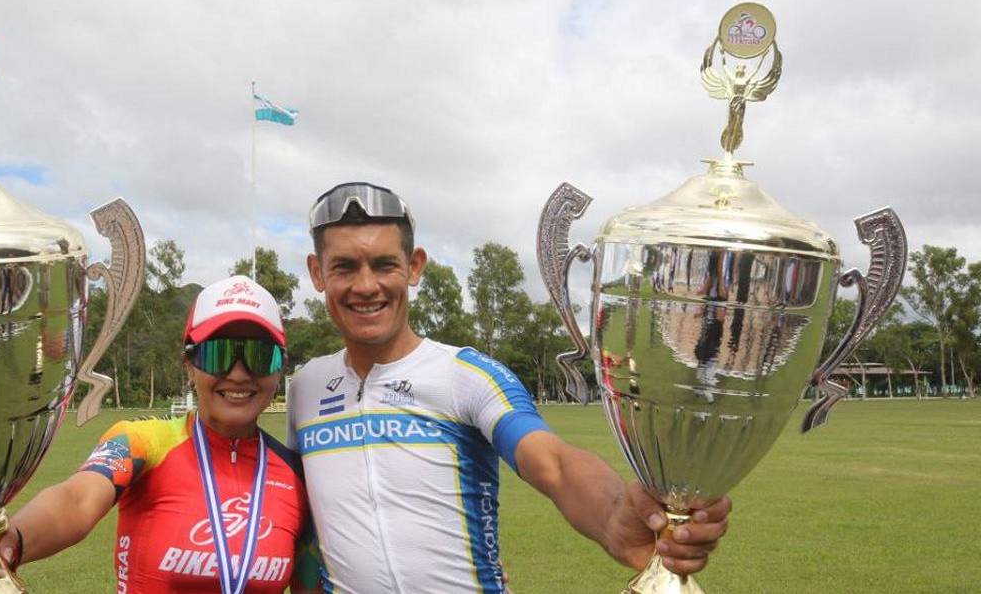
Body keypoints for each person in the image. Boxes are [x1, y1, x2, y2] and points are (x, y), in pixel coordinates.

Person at [287, 182, 732, 592]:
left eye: (384, 265)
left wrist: (615, 517)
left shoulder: (466, 375)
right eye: (344, 267)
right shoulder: (306, 388)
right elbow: (303, 521)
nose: (366, 286)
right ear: (317, 272)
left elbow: (554, 464)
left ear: (414, 266)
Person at [0, 276, 321, 593]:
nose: (238, 373)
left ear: (280, 368)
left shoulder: (298, 476)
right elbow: (77, 499)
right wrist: (10, 539)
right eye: (218, 354)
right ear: (189, 364)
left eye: (259, 355)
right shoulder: (141, 441)